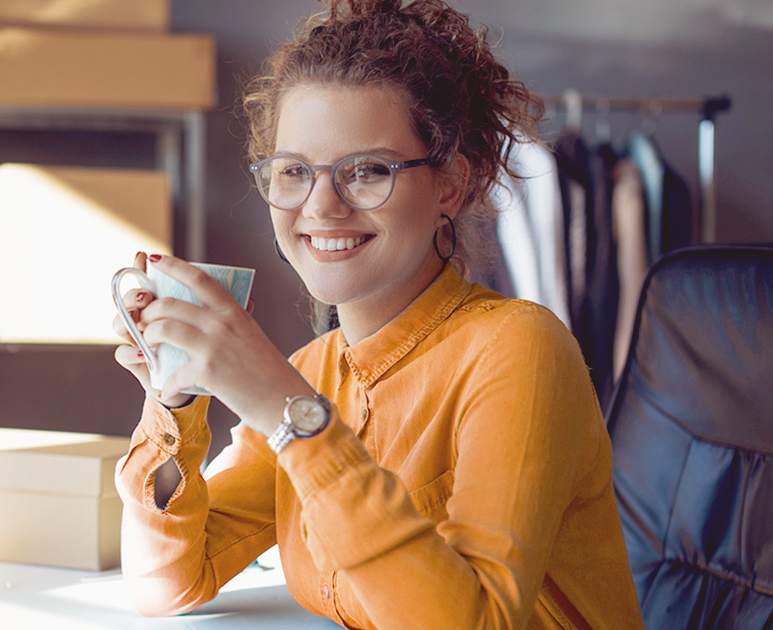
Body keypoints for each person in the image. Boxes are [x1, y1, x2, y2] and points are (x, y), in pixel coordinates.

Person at [110, 0, 644, 627]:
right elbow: (166, 585)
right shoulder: (312, 371)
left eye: (367, 171)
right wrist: (176, 402)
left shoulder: (520, 348)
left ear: (450, 184)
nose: (322, 206)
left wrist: (288, 413)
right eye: (293, 172)